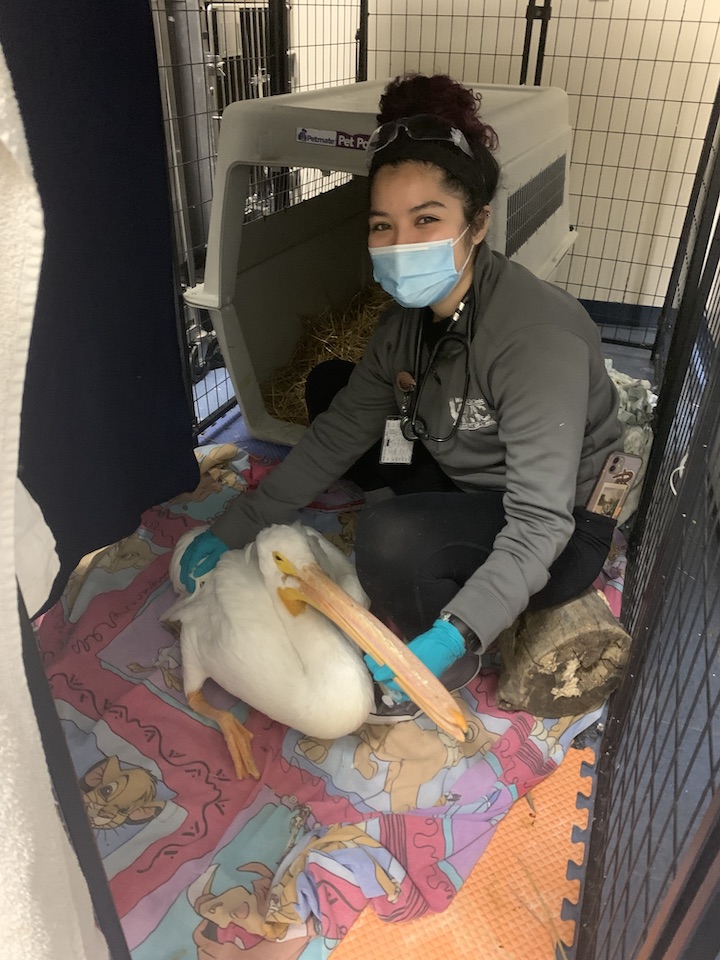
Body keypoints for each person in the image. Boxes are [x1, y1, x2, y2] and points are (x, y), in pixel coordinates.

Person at [180, 73, 622, 721]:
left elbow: (540, 522)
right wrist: (235, 525)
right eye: (383, 225)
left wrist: (454, 633)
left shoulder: (532, 340)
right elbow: (337, 432)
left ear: (478, 223)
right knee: (332, 385)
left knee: (388, 539)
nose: (401, 245)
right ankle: (427, 520)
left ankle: (446, 661)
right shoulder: (405, 324)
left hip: (557, 525)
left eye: (427, 221)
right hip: (465, 461)